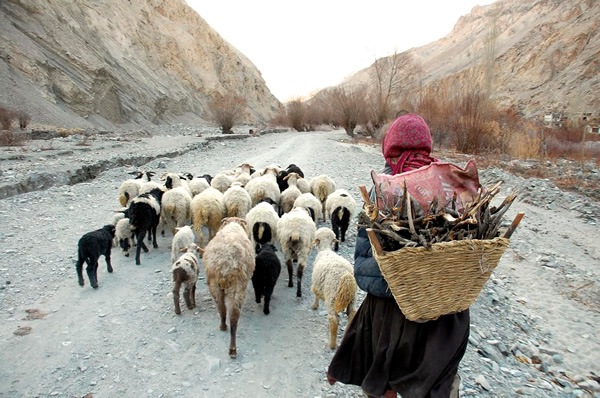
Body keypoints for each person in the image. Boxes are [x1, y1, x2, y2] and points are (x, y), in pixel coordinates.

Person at [326, 113, 469, 398]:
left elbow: (363, 268)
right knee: (440, 382)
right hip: (445, 322)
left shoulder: (381, 192)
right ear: (426, 144)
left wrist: (400, 279)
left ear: (390, 146)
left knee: (384, 379)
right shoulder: (452, 187)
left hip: (393, 320)